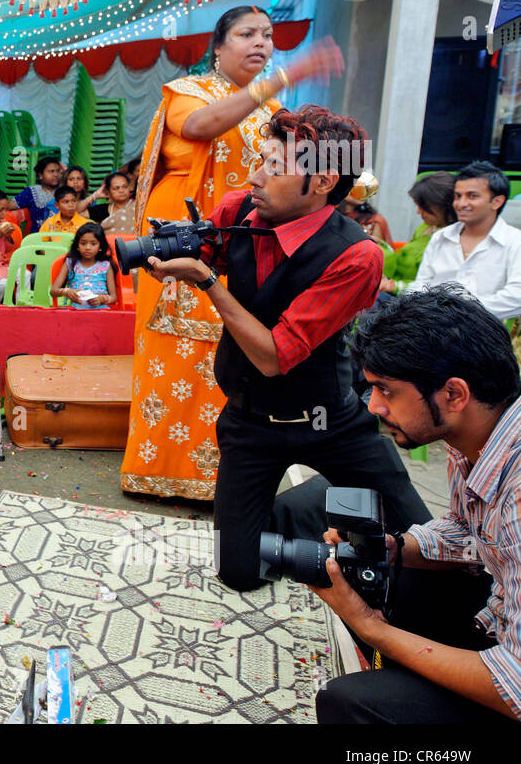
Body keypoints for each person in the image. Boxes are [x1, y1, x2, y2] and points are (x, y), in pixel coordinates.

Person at [140, 105, 430, 589]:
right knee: (238, 574)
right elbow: (205, 250)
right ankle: (310, 506)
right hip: (251, 420)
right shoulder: (238, 210)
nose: (255, 176)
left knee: (424, 542)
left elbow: (275, 356)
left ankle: (325, 495)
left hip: (331, 420)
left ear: (322, 182)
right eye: (260, 159)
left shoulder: (359, 256)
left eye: (274, 167)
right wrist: (172, 250)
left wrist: (208, 281)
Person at [120, 5, 344, 500]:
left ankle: (224, 477)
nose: (260, 42)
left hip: (243, 244)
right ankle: (160, 472)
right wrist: (288, 75)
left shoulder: (273, 115)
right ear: (218, 47)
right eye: (246, 34)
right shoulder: (189, 91)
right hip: (186, 235)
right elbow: (201, 127)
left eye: (267, 34)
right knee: (178, 360)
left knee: (233, 355)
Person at [312, 286, 521, 723]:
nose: (373, 406)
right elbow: (467, 533)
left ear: (454, 394)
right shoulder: (478, 439)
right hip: (501, 618)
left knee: (351, 704)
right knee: (379, 574)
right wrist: (394, 547)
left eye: (386, 390)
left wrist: (375, 630)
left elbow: (517, 687)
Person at [407, 161, 521, 321]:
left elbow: (516, 296)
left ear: (497, 202)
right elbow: (421, 284)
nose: (461, 204)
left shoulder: (514, 242)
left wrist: (462, 314)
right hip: (432, 326)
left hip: (483, 332)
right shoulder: (442, 237)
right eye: (458, 196)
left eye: (472, 196)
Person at [379, 170, 456, 295]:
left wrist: (396, 287)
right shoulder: (425, 227)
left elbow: (434, 287)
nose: (418, 212)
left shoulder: (452, 240)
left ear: (444, 205)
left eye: (424, 207)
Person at [51, 222, 117, 310]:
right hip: (75, 311)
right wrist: (66, 291)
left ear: (100, 246)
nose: (88, 247)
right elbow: (53, 291)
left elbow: (114, 297)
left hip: (100, 312)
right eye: (83, 243)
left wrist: (102, 299)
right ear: (77, 245)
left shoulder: (106, 265)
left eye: (93, 244)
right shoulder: (70, 263)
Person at [14, 156, 63, 228]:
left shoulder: (65, 190)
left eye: (58, 171)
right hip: (38, 237)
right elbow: (8, 205)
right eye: (51, 171)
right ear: (40, 175)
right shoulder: (32, 192)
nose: (56, 174)